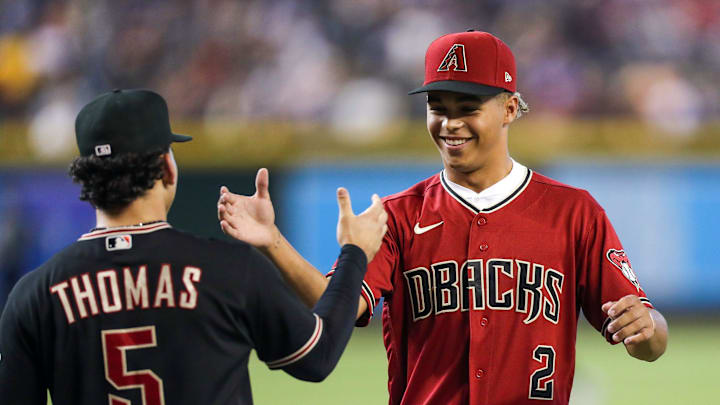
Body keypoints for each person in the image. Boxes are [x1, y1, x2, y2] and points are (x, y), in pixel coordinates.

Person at [217, 31, 669, 405]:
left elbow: (650, 339)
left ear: (510, 108)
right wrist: (271, 241)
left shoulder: (573, 212)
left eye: (467, 108)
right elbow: (338, 307)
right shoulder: (397, 215)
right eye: (439, 107)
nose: (450, 123)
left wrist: (647, 329)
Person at [0, 89, 388, 405]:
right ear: (167, 167)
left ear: (86, 179)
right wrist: (354, 253)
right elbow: (316, 357)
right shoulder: (227, 269)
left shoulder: (33, 295)